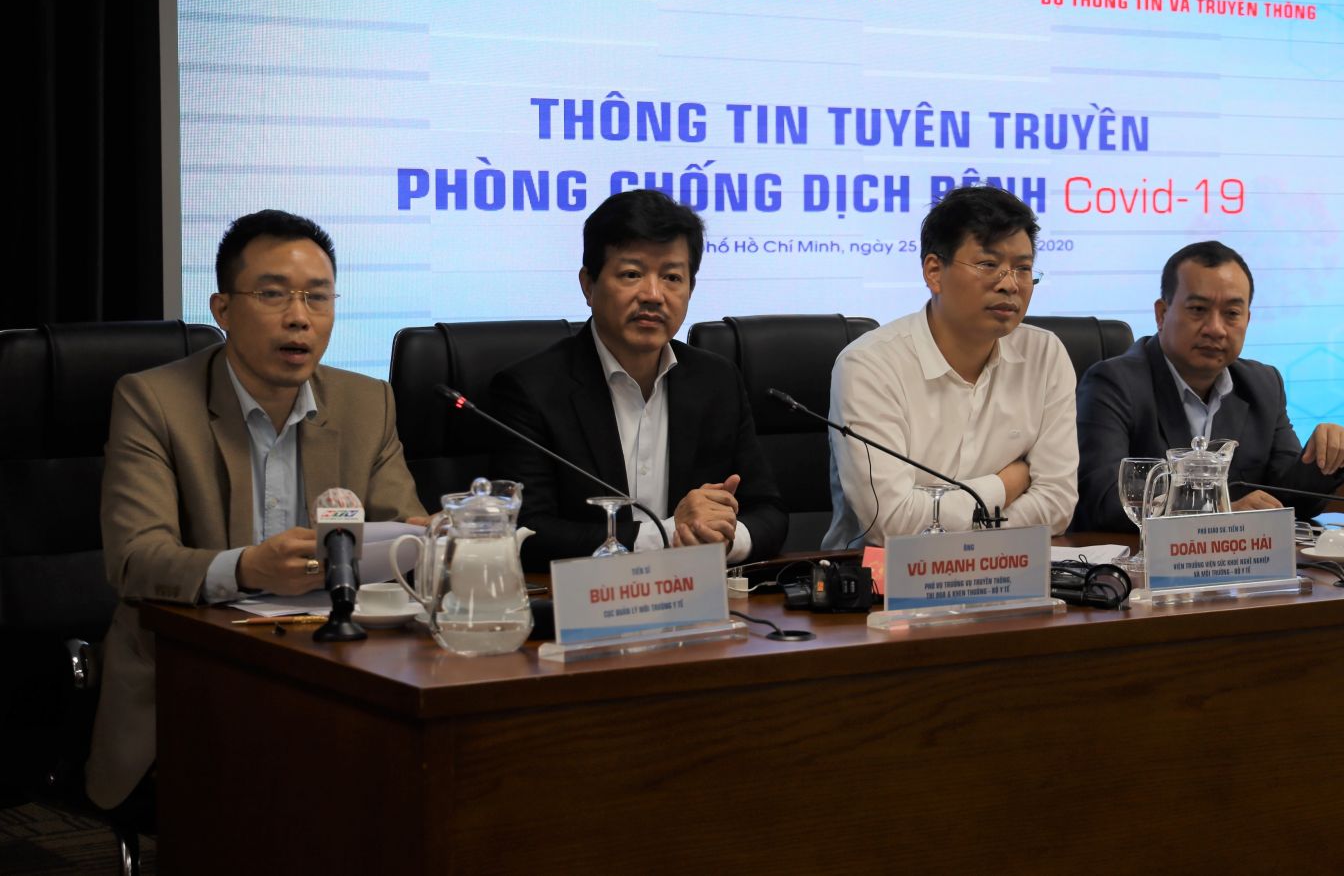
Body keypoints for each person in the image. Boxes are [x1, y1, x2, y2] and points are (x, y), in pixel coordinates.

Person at [86, 210, 426, 812]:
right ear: (222, 309)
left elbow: (404, 531)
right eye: (273, 295)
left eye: (318, 297)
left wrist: (433, 538)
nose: (299, 317)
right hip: (196, 671)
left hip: (338, 661)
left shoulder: (367, 402)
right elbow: (135, 561)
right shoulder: (152, 401)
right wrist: (247, 569)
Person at [489, 190, 786, 570]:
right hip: (586, 601)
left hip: (696, 595)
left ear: (690, 289)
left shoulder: (716, 380)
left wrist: (722, 539)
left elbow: (769, 512)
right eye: (632, 274)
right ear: (588, 285)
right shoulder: (530, 389)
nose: (653, 295)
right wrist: (667, 536)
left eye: (672, 277)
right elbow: (526, 533)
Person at [823, 186, 1079, 548]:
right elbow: (892, 524)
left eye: (1023, 269)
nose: (1010, 284)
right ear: (934, 272)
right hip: (883, 577)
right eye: (988, 265)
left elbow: (1057, 505)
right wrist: (1007, 484)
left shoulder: (1045, 355)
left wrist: (962, 528)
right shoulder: (869, 366)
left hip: (1009, 569)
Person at [1072, 240, 1344, 532]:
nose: (1216, 329)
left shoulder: (1262, 385)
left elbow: (1288, 499)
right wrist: (1220, 513)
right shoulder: (1113, 384)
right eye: (1198, 309)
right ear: (1162, 314)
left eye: (1231, 313)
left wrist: (1324, 458)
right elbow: (1103, 502)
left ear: (1247, 319)